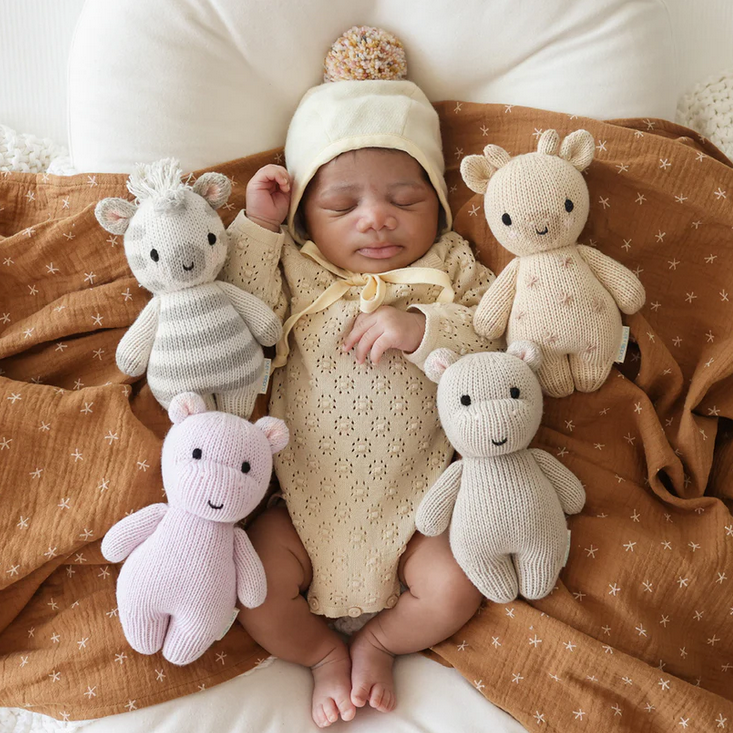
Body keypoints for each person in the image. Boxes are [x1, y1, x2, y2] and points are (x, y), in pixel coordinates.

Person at [222, 26, 499, 729]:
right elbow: (246, 300)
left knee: (456, 579)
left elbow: (492, 333)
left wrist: (422, 329)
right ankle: (320, 656)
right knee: (255, 584)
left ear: (436, 202)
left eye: (404, 199)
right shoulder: (299, 267)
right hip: (299, 509)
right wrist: (258, 224)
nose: (375, 217)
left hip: (421, 510)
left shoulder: (447, 268)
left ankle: (380, 639)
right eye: (343, 206)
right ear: (309, 221)